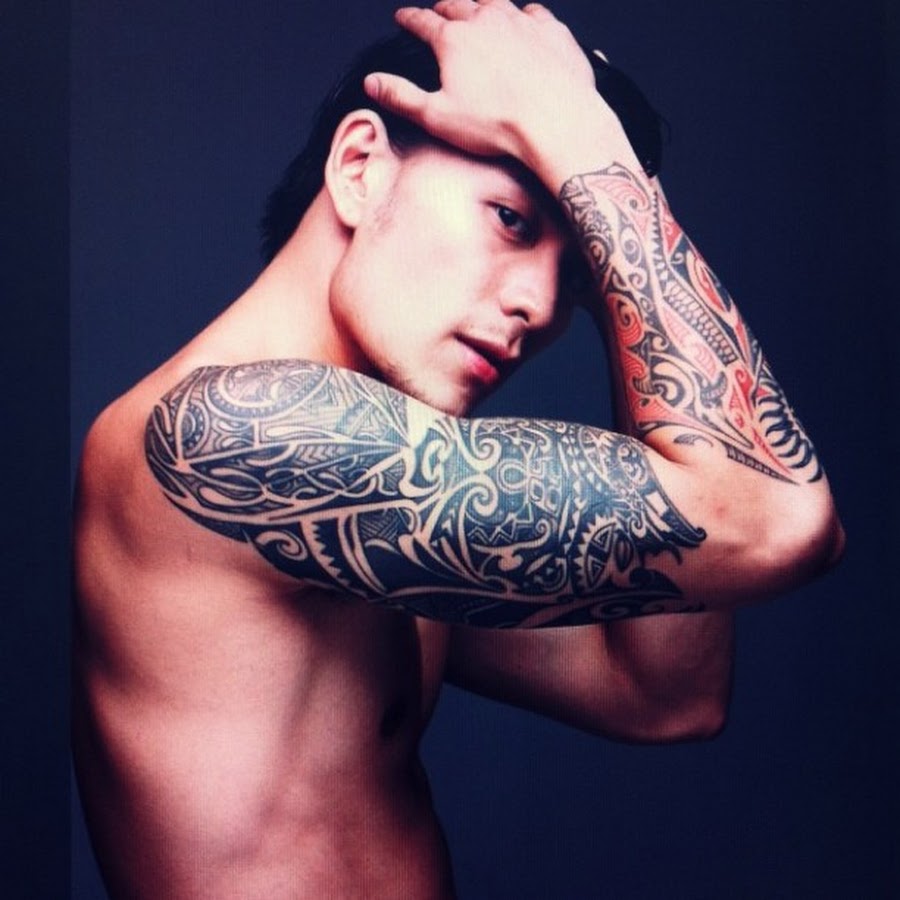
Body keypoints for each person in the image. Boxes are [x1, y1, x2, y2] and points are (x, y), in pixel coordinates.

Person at [72, 1, 845, 897]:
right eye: (512, 220)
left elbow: (663, 695)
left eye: (577, 276)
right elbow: (777, 516)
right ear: (361, 168)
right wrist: (586, 155)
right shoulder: (235, 430)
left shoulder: (375, 496)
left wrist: (615, 204)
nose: (541, 307)